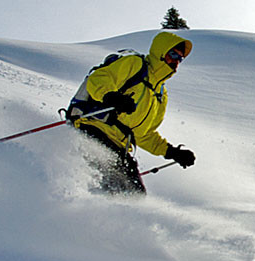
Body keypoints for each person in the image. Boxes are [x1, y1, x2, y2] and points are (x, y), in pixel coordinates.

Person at [64, 31, 197, 194]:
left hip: (120, 148)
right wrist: (111, 97)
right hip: (95, 132)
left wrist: (172, 152)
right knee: (123, 195)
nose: (176, 61)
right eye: (172, 54)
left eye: (180, 59)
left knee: (136, 197)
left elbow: (144, 134)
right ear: (160, 52)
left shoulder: (160, 95)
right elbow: (99, 78)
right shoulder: (135, 65)